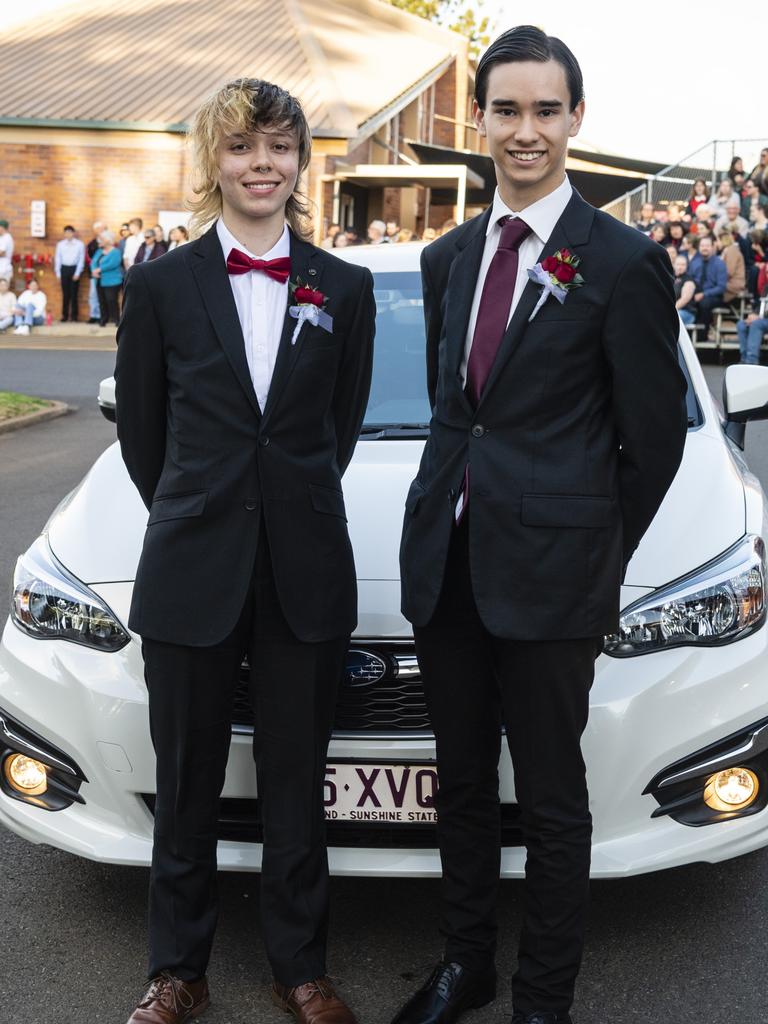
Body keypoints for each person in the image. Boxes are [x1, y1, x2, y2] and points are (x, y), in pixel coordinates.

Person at [394, 25, 687, 1024]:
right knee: (462, 785)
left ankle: (542, 1002)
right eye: (508, 110)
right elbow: (459, 411)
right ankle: (464, 965)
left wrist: (595, 561)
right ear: (479, 120)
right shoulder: (448, 259)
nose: (527, 131)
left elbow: (653, 446)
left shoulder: (622, 261)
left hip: (554, 584)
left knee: (555, 802)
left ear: (575, 120)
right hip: (446, 567)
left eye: (546, 111)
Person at [115, 76, 375, 1024]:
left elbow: (334, 433)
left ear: (301, 163)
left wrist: (280, 508)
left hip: (303, 570)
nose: (260, 165)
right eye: (241, 148)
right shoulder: (158, 286)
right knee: (184, 781)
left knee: (296, 784)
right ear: (211, 163)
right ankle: (177, 971)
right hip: (192, 568)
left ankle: (300, 967)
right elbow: (146, 439)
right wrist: (206, 513)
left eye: (278, 147)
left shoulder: (340, 288)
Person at [688, 235, 727, 330]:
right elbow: (689, 281)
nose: (704, 248)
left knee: (704, 303)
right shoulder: (694, 263)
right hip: (696, 294)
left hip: (713, 297)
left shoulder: (719, 263)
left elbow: (721, 287)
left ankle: (702, 334)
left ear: (712, 247)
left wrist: (704, 294)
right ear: (699, 247)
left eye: (707, 246)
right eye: (702, 246)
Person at [90, 230, 123, 326]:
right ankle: (103, 320)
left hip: (112, 281)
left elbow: (113, 264)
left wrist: (99, 269)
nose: (99, 241)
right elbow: (93, 262)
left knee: (111, 300)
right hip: (99, 280)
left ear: (108, 240)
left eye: (101, 239)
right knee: (101, 301)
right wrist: (93, 271)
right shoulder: (99, 251)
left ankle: (116, 320)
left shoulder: (116, 252)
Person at [54, 224, 86, 322]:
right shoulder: (60, 244)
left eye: (70, 232)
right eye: (66, 233)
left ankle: (74, 316)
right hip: (64, 269)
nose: (68, 234)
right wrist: (58, 273)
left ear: (73, 233)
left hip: (74, 268)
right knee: (65, 294)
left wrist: (77, 272)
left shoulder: (79, 244)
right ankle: (64, 316)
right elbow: (57, 259)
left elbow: (81, 259)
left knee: (74, 294)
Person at [717, 230, 746, 303]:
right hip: (727, 283)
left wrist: (715, 279)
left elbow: (729, 272)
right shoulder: (727, 250)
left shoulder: (732, 251)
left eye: (717, 241)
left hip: (733, 285)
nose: (716, 243)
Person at [86, 220, 106, 323]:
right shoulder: (92, 244)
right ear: (96, 230)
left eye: (104, 228)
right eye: (101, 228)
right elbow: (89, 259)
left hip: (105, 274)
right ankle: (93, 315)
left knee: (102, 295)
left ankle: (101, 315)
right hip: (93, 274)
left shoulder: (108, 242)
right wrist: (94, 270)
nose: (103, 230)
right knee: (93, 294)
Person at [673, 253, 697, 325]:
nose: (680, 267)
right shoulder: (670, 277)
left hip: (686, 312)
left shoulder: (689, 280)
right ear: (674, 265)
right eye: (678, 264)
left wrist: (670, 310)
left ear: (687, 266)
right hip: (674, 311)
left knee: (670, 317)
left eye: (683, 265)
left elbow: (684, 299)